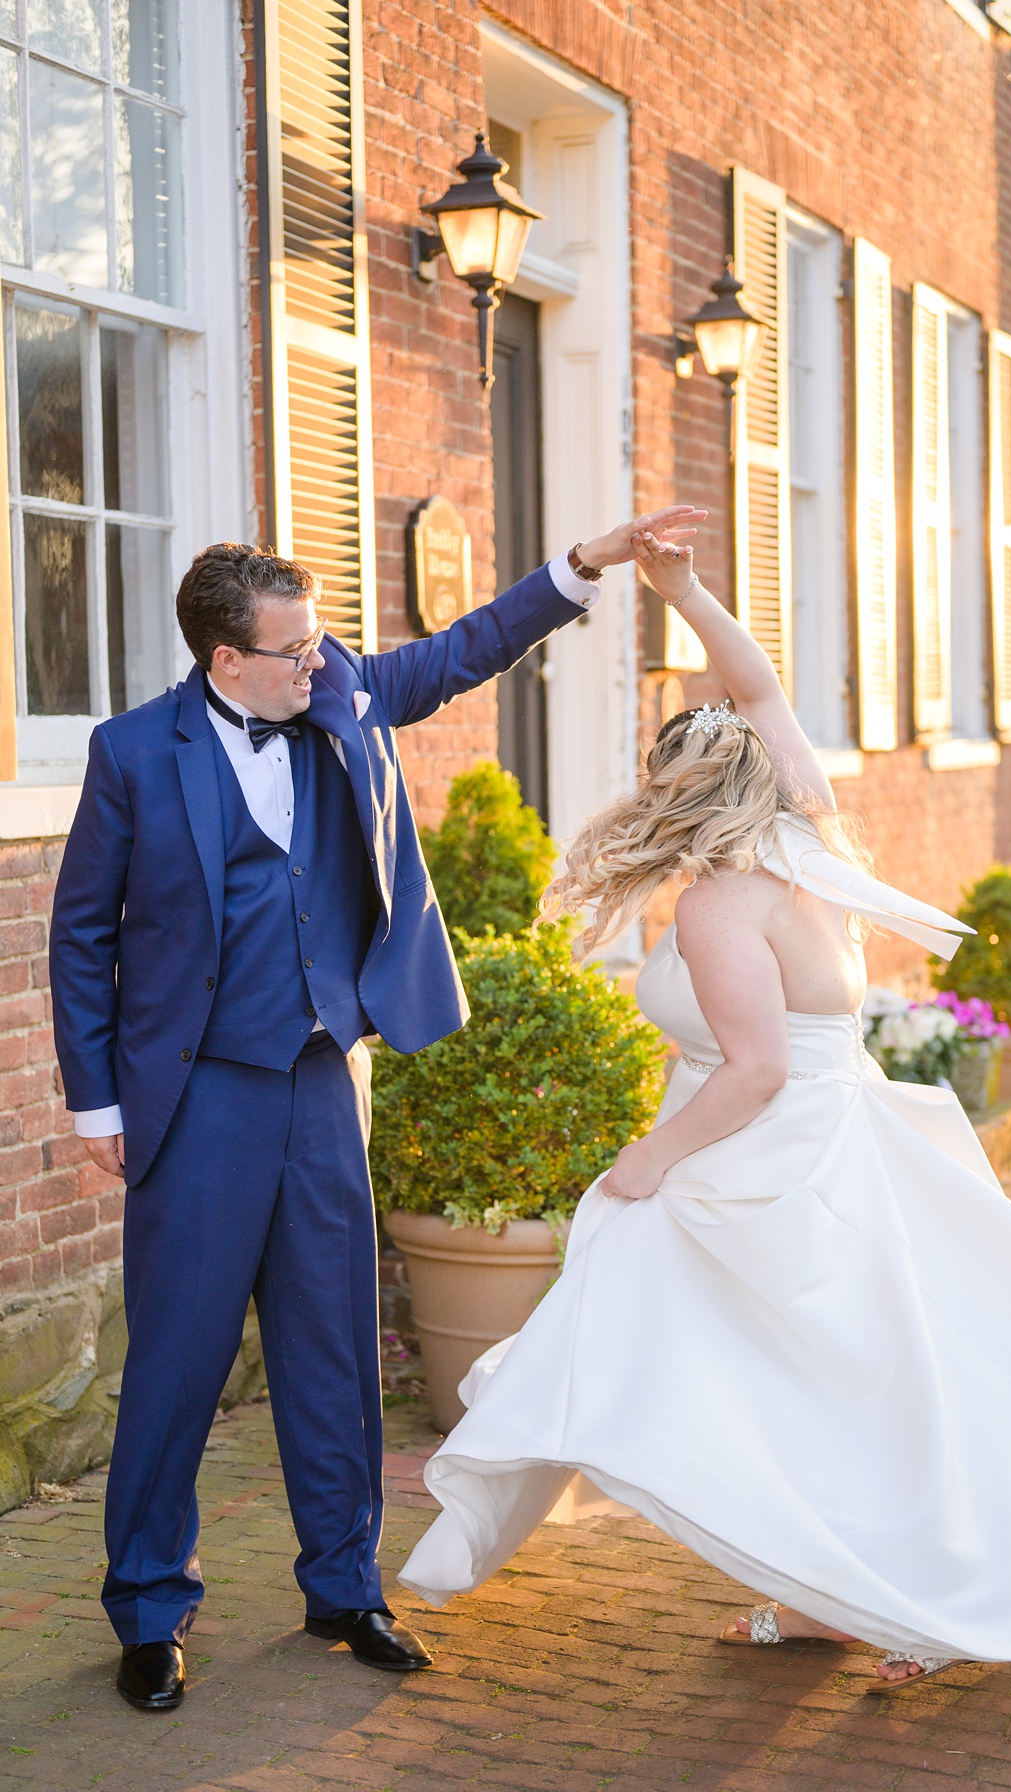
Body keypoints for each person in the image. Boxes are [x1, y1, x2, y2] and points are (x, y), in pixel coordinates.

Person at [396, 527, 1011, 1689]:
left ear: (680, 795)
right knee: (844, 1378)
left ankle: (894, 1593)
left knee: (722, 1353)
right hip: (842, 1131)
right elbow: (759, 686)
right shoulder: (809, 835)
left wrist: (647, 1158)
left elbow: (755, 1068)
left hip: (769, 1154)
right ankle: (839, 1591)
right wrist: (689, 595)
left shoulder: (721, 906)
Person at [50, 509, 706, 1712]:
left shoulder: (340, 694)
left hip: (316, 1082)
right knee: (179, 1363)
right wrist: (97, 1104)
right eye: (294, 651)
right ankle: (149, 1605)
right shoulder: (134, 753)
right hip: (191, 1098)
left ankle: (344, 1587)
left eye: (318, 645)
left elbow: (461, 649)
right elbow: (82, 935)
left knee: (334, 1350)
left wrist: (582, 566)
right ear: (224, 661)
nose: (320, 662)